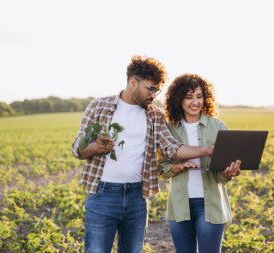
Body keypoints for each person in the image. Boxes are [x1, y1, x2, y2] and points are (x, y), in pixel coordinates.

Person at [71, 56, 214, 253]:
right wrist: (95, 147)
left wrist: (205, 150)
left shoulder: (154, 115)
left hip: (137, 197)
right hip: (102, 194)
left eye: (157, 90)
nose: (154, 94)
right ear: (133, 82)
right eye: (150, 88)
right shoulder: (99, 107)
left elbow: (172, 147)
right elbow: (77, 148)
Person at [159, 73, 241, 253]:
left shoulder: (218, 127)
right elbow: (162, 167)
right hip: (179, 206)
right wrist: (178, 167)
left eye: (199, 96)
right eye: (188, 97)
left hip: (210, 204)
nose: (195, 102)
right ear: (178, 100)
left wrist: (227, 174)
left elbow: (221, 175)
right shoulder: (169, 129)